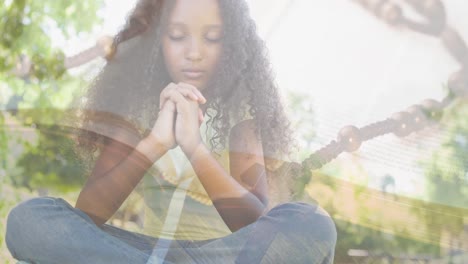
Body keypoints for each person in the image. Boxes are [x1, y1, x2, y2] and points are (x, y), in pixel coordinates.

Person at [5, 0, 337, 263]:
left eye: (211, 37)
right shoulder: (136, 107)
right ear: (157, 42)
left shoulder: (242, 112)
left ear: (231, 45)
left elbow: (254, 224)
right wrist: (156, 142)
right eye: (178, 36)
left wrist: (194, 148)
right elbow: (88, 213)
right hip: (136, 253)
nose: (194, 52)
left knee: (313, 224)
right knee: (29, 219)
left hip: (225, 256)